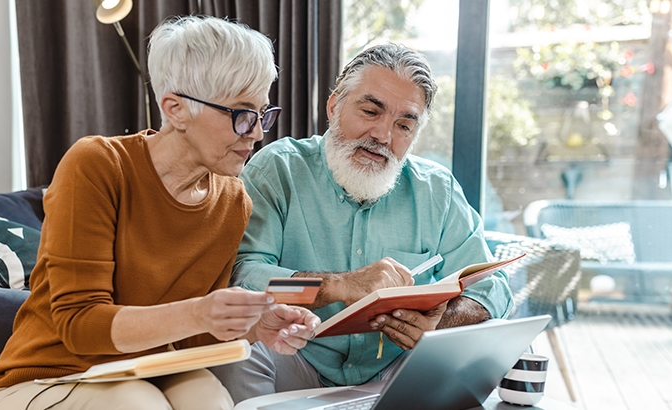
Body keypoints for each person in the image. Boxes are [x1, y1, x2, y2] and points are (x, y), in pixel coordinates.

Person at [0, 15, 319, 410]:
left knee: (209, 398)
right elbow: (79, 325)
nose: (258, 132)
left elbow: (190, 336)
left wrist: (255, 327)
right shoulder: (98, 165)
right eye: (242, 114)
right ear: (175, 109)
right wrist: (199, 313)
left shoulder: (233, 200)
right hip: (45, 375)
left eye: (263, 114)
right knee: (137, 403)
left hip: (143, 369)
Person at [209, 43, 514, 403]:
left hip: (394, 370)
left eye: (404, 125)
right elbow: (246, 278)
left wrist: (439, 321)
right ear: (334, 106)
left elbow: (493, 290)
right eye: (371, 111)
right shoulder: (279, 169)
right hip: (295, 358)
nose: (383, 135)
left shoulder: (437, 190)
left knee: (484, 334)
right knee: (239, 345)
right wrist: (339, 286)